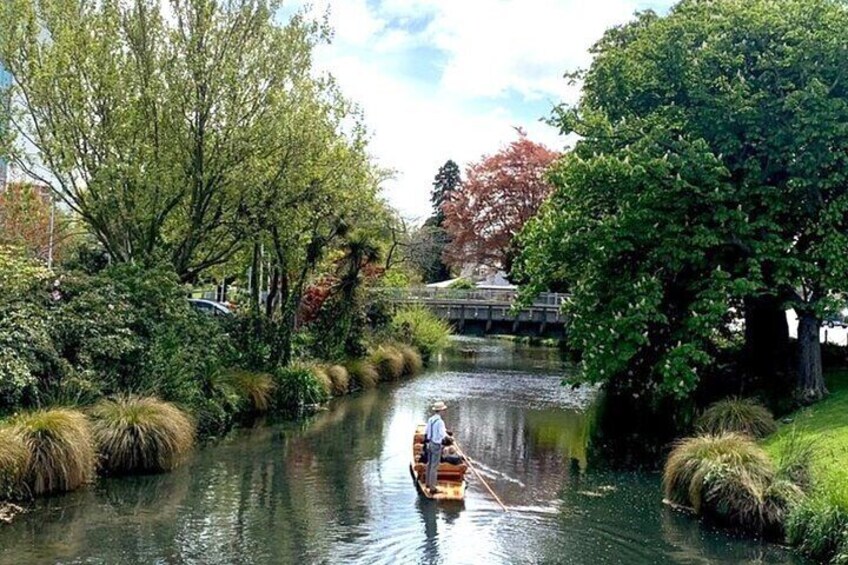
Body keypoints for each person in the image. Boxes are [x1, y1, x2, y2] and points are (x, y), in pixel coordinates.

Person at [424, 401, 448, 495]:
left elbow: (426, 431)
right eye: (443, 410)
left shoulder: (430, 419)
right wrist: (449, 438)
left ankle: (427, 484)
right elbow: (442, 434)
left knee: (429, 464)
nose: (444, 412)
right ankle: (433, 488)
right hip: (436, 445)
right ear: (441, 411)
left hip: (429, 444)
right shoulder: (440, 422)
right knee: (434, 466)